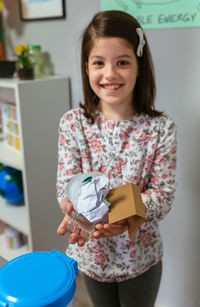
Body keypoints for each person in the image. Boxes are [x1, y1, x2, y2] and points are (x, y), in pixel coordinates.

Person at [56, 10, 177, 307]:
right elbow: (65, 183)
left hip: (141, 260)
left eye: (122, 62)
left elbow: (162, 196)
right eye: (99, 62)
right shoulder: (73, 124)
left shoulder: (161, 128)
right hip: (92, 257)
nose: (110, 74)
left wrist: (124, 213)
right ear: (87, 67)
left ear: (139, 67)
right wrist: (71, 205)